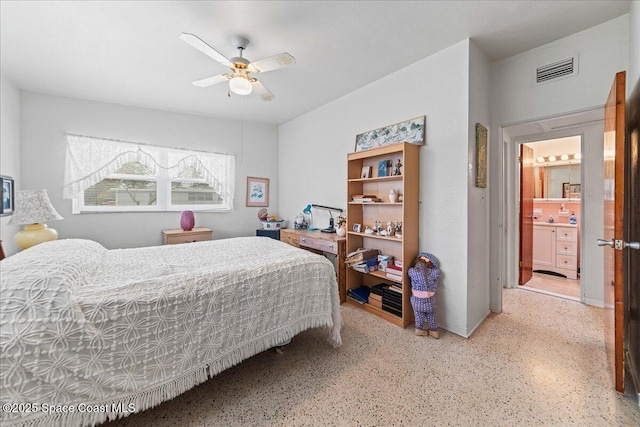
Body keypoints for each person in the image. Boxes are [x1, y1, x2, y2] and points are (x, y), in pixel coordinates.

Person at [408, 252, 440, 338]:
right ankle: (434, 331)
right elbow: (438, 271)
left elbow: (409, 271)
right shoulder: (434, 273)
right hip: (430, 303)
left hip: (417, 302)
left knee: (418, 317)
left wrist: (419, 267)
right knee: (431, 317)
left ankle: (419, 329)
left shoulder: (413, 272)